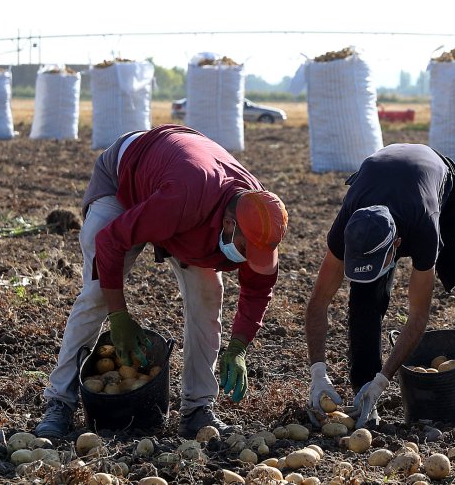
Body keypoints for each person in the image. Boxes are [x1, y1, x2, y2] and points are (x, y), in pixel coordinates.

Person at [35, 124, 288, 439]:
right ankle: (59, 401)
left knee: (209, 292)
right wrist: (119, 315)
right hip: (126, 177)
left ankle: (198, 409)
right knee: (99, 292)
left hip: (182, 199)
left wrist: (238, 347)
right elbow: (110, 242)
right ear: (227, 224)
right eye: (246, 250)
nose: (250, 259)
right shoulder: (184, 198)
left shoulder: (259, 220)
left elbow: (258, 289)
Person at [304, 143, 455, 425]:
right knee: (364, 299)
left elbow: (417, 315)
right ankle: (363, 395)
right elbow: (318, 302)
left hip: (446, 203)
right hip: (385, 187)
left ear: (396, 245)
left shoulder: (424, 227)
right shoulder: (348, 229)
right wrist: (318, 372)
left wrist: (383, 381)